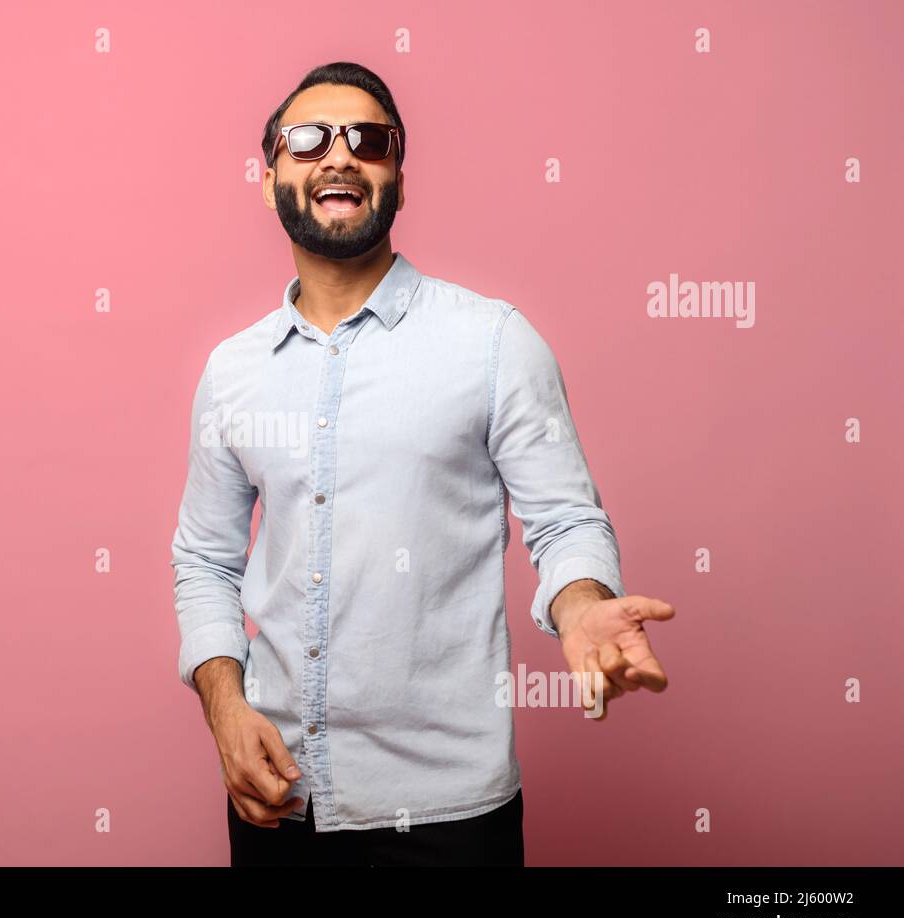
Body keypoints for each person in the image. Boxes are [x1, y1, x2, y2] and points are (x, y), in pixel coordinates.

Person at [169, 62, 675, 866]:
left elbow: (565, 519)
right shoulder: (232, 371)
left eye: (368, 140)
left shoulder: (493, 342)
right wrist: (226, 712)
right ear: (270, 182)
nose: (338, 156)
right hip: (278, 803)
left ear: (398, 178)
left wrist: (580, 607)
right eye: (307, 141)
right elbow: (204, 560)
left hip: (451, 819)